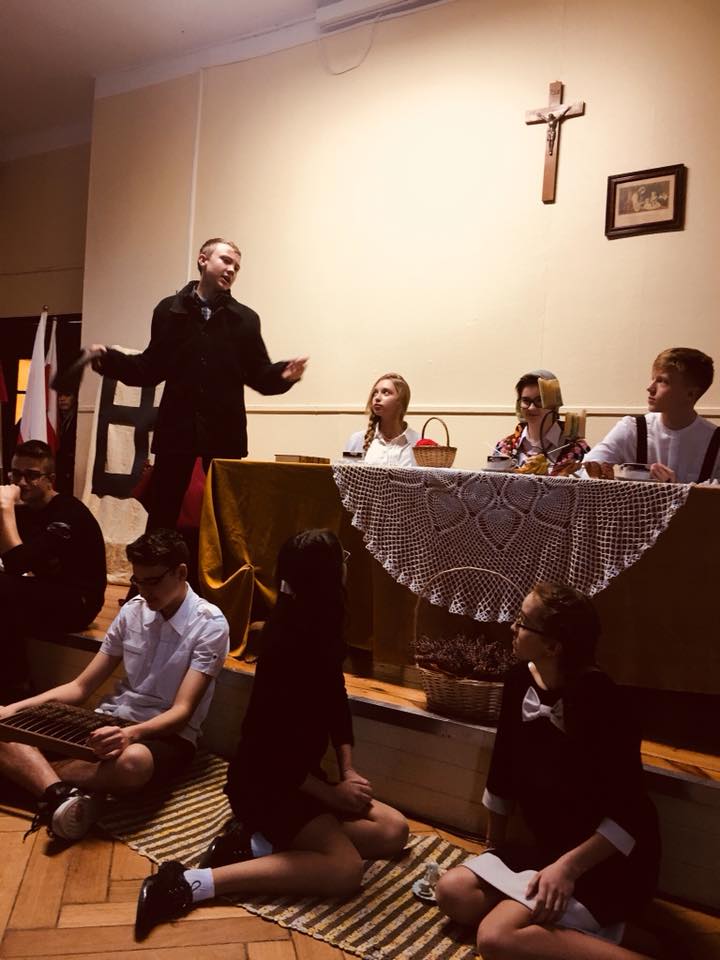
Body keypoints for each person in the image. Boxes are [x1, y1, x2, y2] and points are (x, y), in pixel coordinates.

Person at [135, 528, 408, 940]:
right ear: (326, 576)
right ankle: (190, 883)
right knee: (345, 870)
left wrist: (348, 771)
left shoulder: (322, 626)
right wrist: (333, 796)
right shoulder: (286, 641)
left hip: (301, 777)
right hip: (266, 783)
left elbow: (336, 703)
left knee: (393, 830)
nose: (346, 568)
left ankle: (256, 846)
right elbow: (270, 751)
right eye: (341, 562)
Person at [435, 582, 661, 960]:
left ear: (553, 646)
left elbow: (631, 815)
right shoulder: (518, 681)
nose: (512, 627)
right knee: (453, 892)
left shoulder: (607, 702)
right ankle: (613, 935)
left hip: (603, 864)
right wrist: (493, 849)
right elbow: (502, 770)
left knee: (495, 938)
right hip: (545, 848)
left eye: (522, 622)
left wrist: (567, 869)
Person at [0, 528, 229, 843]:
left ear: (181, 572)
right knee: (4, 728)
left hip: (166, 734)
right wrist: (12, 710)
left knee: (132, 765)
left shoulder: (210, 624)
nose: (144, 591)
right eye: (138, 581)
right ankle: (60, 793)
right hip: (109, 720)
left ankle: (34, 778)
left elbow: (182, 711)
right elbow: (80, 687)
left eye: (153, 581)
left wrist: (130, 735)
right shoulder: (133, 610)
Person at [88, 237, 308, 531]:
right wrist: (110, 360)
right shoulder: (169, 311)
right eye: (226, 260)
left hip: (224, 434)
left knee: (225, 519)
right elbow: (150, 368)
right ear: (203, 260)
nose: (232, 269)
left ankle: (216, 565)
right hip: (176, 432)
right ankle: (158, 562)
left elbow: (258, 374)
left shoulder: (244, 319)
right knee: (163, 513)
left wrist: (283, 375)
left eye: (237, 267)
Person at [0, 439, 106, 700]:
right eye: (16, 474)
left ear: (51, 480)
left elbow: (17, 562)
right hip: (46, 593)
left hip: (79, 602)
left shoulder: (68, 514)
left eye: (31, 475)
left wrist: (4, 509)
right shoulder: (25, 512)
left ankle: (18, 684)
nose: (21, 482)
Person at [583, 348, 719, 483]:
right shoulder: (633, 429)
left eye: (662, 381)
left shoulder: (716, 442)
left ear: (690, 394)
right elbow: (585, 470)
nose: (650, 388)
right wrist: (596, 471)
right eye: (653, 379)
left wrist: (677, 488)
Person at [494, 370, 590, 475]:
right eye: (526, 401)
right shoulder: (505, 446)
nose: (531, 407)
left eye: (540, 401)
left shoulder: (576, 447)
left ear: (554, 404)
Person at [344, 373, 419, 467]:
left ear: (401, 401)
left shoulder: (418, 444)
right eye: (375, 393)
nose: (377, 398)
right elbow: (346, 475)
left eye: (386, 392)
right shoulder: (357, 440)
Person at [55, 391, 78, 495]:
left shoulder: (79, 418)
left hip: (71, 471)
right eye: (59, 395)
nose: (62, 399)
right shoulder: (54, 416)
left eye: (67, 395)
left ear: (75, 397)